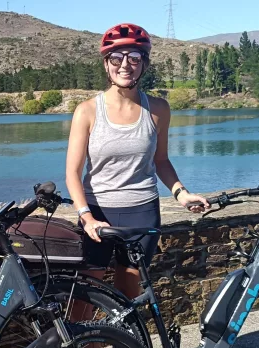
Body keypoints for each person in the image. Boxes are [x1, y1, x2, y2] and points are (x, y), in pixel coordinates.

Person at [65, 23, 209, 308]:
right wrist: (86, 217)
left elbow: (161, 161)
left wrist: (181, 193)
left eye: (134, 57)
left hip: (142, 212)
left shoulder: (158, 109)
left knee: (128, 296)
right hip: (97, 211)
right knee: (85, 297)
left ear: (144, 63)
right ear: (106, 64)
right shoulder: (87, 111)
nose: (125, 65)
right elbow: (72, 172)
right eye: (116, 58)